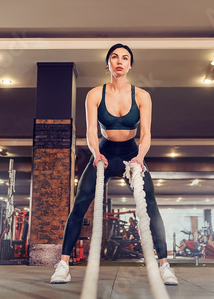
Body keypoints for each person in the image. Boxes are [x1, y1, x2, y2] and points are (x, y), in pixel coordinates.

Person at [50, 44, 178, 285]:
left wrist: (140, 157)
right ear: (107, 63)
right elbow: (89, 131)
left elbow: (147, 133)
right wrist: (95, 153)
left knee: (151, 205)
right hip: (104, 153)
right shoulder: (94, 94)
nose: (120, 61)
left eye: (125, 58)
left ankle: (164, 265)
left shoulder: (141, 96)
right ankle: (64, 264)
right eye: (114, 57)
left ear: (130, 65)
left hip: (131, 154)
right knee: (81, 201)